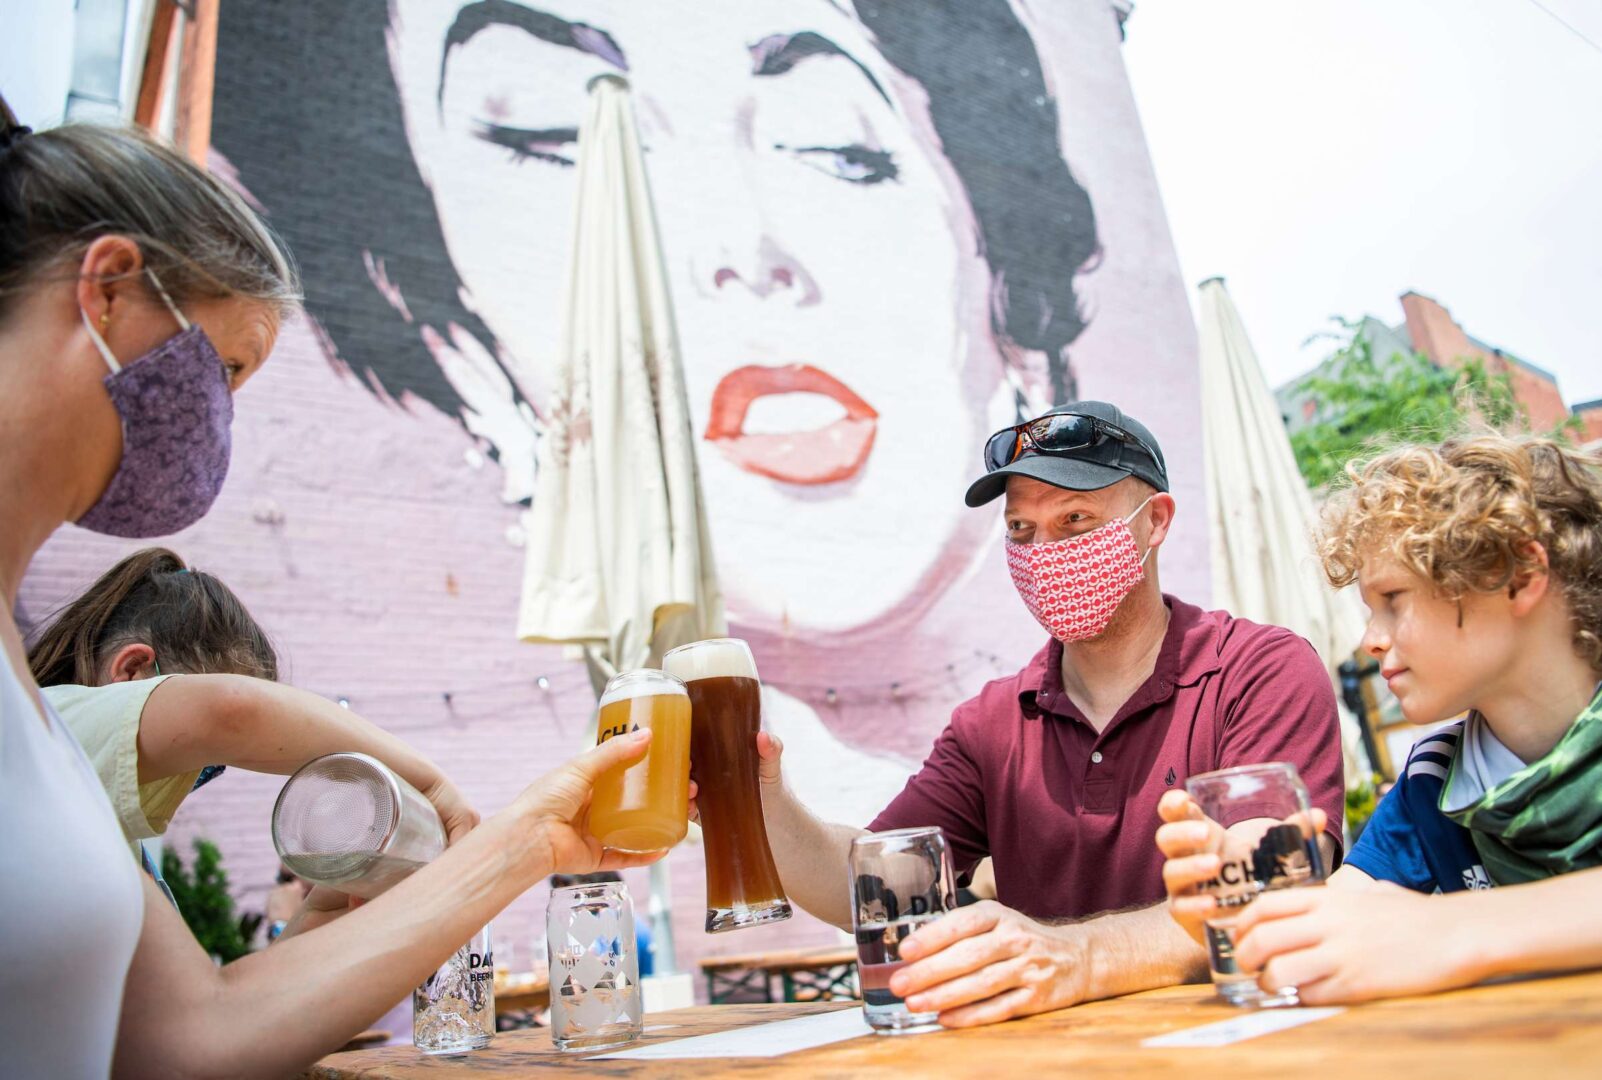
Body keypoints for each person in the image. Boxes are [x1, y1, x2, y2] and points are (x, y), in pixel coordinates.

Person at [209, 0, 1107, 825]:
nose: (743, 252)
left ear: (1012, 300)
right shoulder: (941, 752)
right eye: (542, 132)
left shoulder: (1150, 693)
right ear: (456, 346)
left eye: (835, 146)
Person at [0, 105, 674, 1077]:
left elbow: (192, 1032)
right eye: (222, 368)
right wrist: (440, 791)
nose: (219, 424)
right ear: (105, 290)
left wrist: (528, 844)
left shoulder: (35, 704)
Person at [736, 401, 1346, 1028]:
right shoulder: (992, 723)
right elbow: (870, 884)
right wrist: (761, 802)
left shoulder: (1258, 669)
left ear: (1155, 520)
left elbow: (1270, 892)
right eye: (1022, 530)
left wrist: (1078, 958)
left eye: (1075, 519)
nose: (1044, 551)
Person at [1158, 433, 1602, 1005]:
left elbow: (1415, 934)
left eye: (1393, 598)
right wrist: (1251, 910)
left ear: (1517, 575)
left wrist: (1449, 930)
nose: (1369, 640)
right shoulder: (1433, 782)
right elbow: (1341, 919)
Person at [28, 546, 477, 859]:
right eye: (209, 756)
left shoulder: (104, 826)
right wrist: (432, 783)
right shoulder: (51, 726)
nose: (195, 776)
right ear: (131, 673)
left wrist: (324, 909)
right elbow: (233, 710)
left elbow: (203, 998)